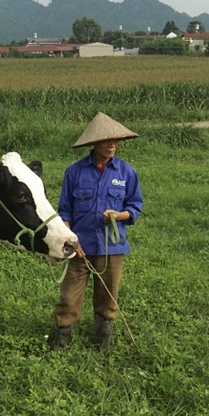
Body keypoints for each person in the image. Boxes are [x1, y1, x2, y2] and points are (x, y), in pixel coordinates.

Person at [49, 112, 143, 350]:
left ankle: (103, 345)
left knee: (108, 298)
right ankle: (60, 343)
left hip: (112, 248)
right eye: (106, 140)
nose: (112, 145)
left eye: (115, 140)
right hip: (79, 248)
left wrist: (119, 215)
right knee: (69, 297)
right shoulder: (74, 172)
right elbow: (65, 212)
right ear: (94, 143)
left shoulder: (127, 173)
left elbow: (135, 207)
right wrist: (71, 242)